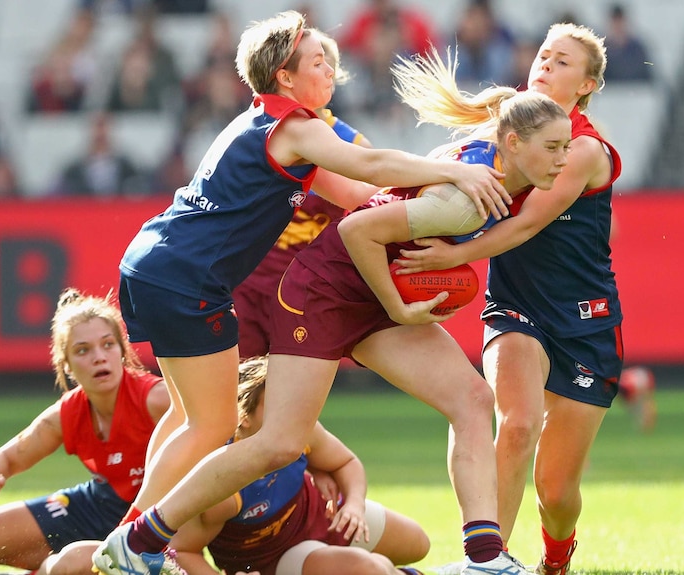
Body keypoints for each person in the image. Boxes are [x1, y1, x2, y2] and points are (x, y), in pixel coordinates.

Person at [91, 40, 571, 575]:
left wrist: (431, 256)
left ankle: (485, 559)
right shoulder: (452, 189)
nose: (566, 159)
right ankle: (140, 538)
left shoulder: (494, 159)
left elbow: (360, 189)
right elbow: (359, 223)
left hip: (360, 288)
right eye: (554, 147)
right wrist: (402, 304)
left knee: (472, 399)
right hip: (320, 293)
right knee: (276, 442)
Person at [393, 23, 623, 575]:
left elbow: (523, 227)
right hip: (516, 307)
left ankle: (557, 553)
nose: (544, 64)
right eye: (543, 54)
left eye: (562, 61)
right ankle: (488, 563)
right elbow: (443, 180)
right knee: (516, 425)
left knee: (558, 491)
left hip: (586, 321)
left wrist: (447, 259)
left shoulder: (586, 148)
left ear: (586, 85)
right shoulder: (505, 132)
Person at [0, 288, 170, 575]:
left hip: (151, 517)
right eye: (83, 350)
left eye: (108, 345)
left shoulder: (156, 398)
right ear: (66, 365)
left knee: (66, 565)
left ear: (122, 350)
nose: (99, 357)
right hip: (98, 505)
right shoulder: (68, 412)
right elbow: (7, 458)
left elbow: (214, 435)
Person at [170, 355, 431, 575]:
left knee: (419, 543)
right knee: (372, 568)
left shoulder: (298, 427)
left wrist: (353, 504)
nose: (290, 410)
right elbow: (181, 550)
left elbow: (346, 462)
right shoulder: (222, 480)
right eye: (275, 401)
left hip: (323, 515)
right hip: (278, 556)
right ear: (243, 416)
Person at [232, 28, 372, 359]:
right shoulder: (265, 129)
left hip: (300, 290)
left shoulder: (351, 145)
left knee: (288, 398)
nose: (325, 73)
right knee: (236, 395)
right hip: (247, 284)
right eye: (316, 63)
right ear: (287, 77)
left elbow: (367, 204)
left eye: (327, 66)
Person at [602, 4, 653, 83]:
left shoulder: (638, 49)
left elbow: (648, 75)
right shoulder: (602, 50)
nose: (618, 27)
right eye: (615, 22)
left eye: (620, 22)